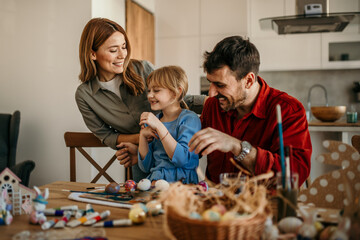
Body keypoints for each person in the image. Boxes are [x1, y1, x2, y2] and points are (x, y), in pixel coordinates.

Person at [76, 18, 205, 182]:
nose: (123, 54)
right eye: (113, 50)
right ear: (93, 54)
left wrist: (211, 102)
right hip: (143, 158)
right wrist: (142, 137)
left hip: (176, 165)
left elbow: (178, 98)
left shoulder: (142, 68)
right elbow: (106, 136)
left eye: (124, 47)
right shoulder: (85, 95)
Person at [188, 36, 311, 187]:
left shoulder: (287, 110)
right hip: (215, 205)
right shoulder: (213, 106)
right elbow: (189, 150)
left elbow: (295, 174)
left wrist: (238, 147)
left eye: (220, 85)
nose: (211, 93)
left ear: (248, 81)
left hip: (263, 206)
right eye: (210, 83)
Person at [137, 66, 200, 184]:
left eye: (156, 90)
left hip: (183, 185)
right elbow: (146, 167)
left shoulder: (190, 119)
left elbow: (183, 160)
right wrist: (142, 137)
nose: (150, 95)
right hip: (155, 183)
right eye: (149, 90)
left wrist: (159, 127)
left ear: (176, 93)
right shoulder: (153, 121)